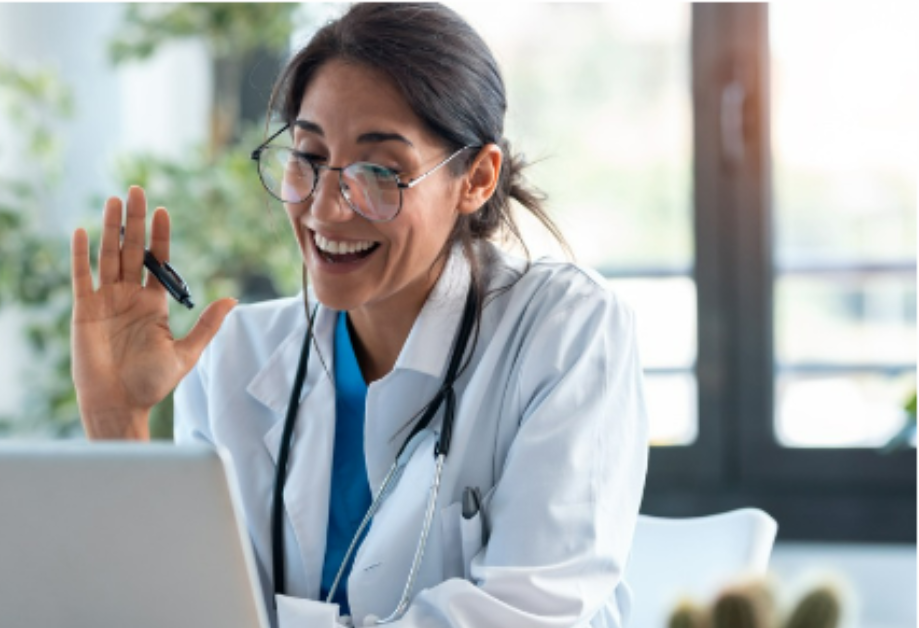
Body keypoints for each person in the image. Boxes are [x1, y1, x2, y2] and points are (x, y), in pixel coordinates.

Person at [70, 3, 649, 627]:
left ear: (476, 178)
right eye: (309, 158)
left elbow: (523, 615)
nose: (326, 208)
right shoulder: (237, 355)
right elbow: (185, 611)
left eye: (379, 171)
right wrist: (117, 424)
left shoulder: (567, 333)